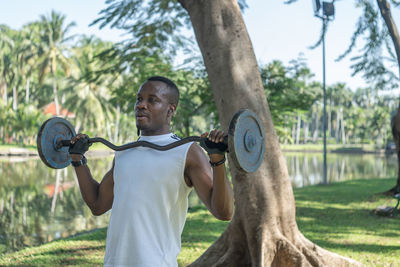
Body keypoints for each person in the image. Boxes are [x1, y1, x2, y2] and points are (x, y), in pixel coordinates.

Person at [69, 76, 234, 267]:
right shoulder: (124, 152)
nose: (141, 105)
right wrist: (77, 159)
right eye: (139, 99)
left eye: (152, 100)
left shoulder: (187, 151)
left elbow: (224, 212)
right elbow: (98, 205)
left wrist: (217, 159)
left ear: (170, 110)